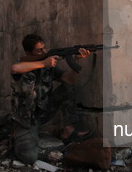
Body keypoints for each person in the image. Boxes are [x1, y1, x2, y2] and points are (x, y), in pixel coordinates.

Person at [10, 34, 91, 164]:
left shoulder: (48, 67)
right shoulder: (23, 66)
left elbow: (70, 80)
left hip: (44, 112)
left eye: (44, 48)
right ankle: (19, 136)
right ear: (28, 53)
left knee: (67, 88)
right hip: (26, 120)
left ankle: (68, 130)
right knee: (29, 158)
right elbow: (14, 68)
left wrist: (76, 61)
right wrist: (43, 63)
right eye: (39, 50)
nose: (44, 52)